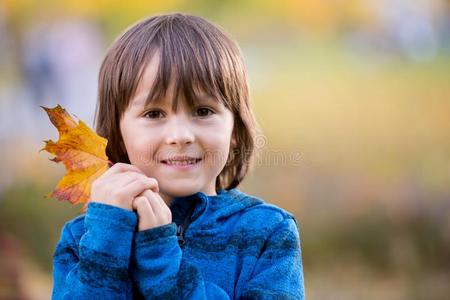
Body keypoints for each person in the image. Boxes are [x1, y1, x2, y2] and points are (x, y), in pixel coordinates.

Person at [51, 13, 305, 299]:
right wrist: (107, 239)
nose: (181, 135)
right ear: (118, 132)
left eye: (203, 111)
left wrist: (161, 259)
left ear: (235, 128)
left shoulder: (267, 233)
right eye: (154, 114)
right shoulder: (85, 237)